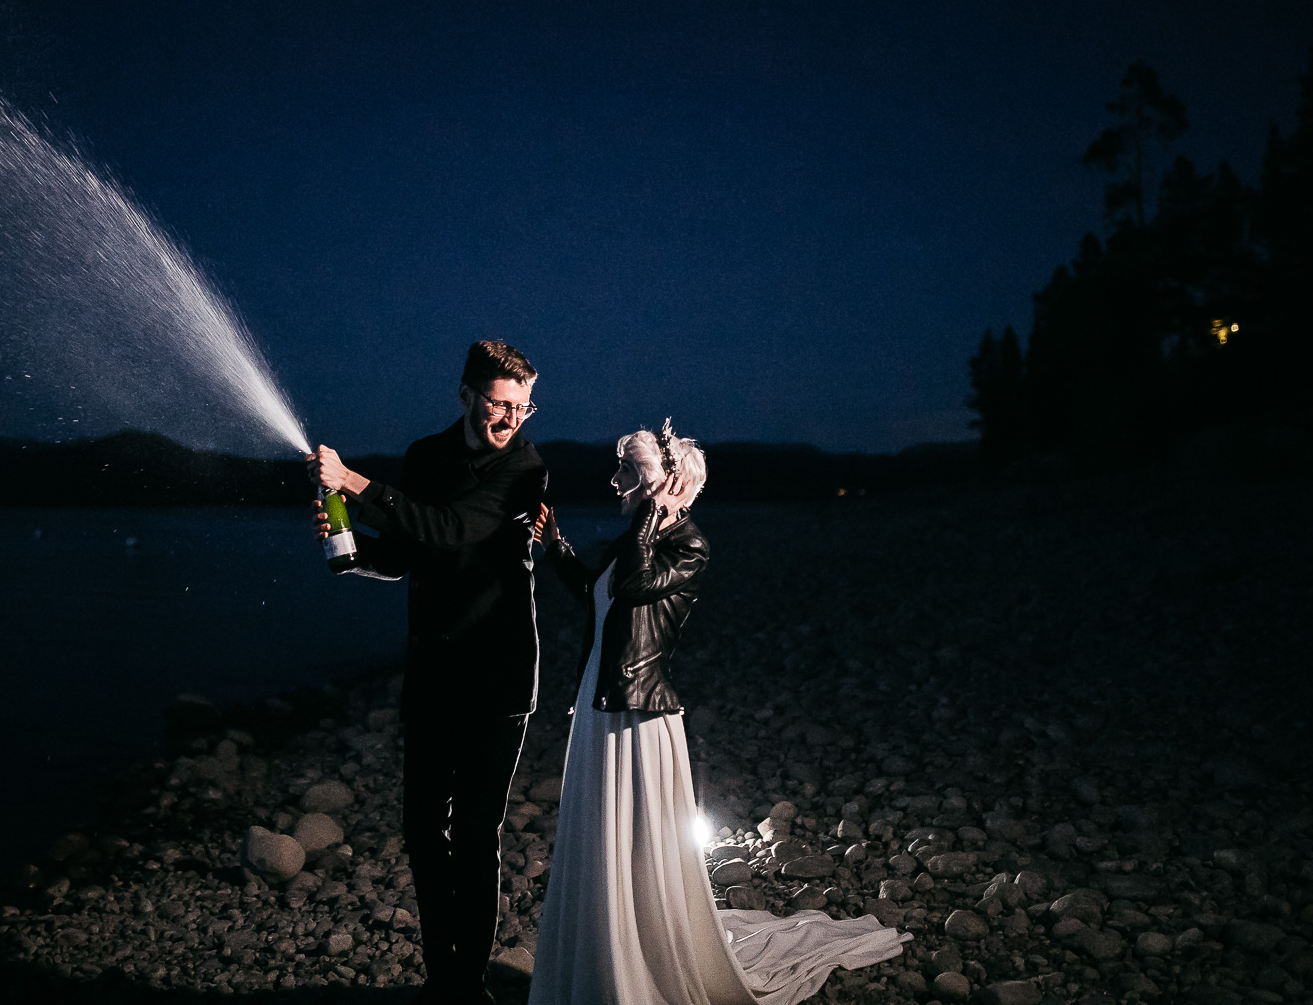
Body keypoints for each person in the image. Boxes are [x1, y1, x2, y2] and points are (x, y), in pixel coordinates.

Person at [529, 420, 904, 1005]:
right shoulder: (634, 539)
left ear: (666, 482)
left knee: (634, 848)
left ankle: (639, 964)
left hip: (639, 716)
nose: (616, 478)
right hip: (600, 704)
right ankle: (601, 960)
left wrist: (656, 510)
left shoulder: (686, 545)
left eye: (630, 468)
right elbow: (594, 593)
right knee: (600, 839)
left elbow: (635, 585)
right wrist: (556, 547)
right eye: (620, 465)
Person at [308, 340, 548, 1004]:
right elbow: (407, 554)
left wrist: (355, 483)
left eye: (523, 407)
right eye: (501, 404)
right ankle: (442, 977)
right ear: (467, 394)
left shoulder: (526, 469)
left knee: (475, 836)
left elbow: (452, 529)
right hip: (436, 669)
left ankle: (466, 986)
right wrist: (349, 547)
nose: (512, 420)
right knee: (421, 831)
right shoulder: (424, 457)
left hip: (499, 675)